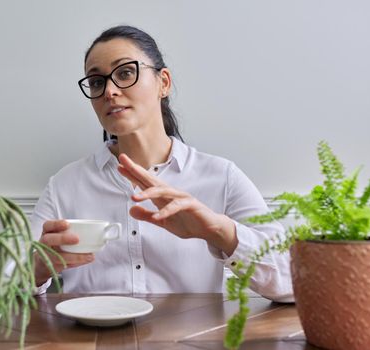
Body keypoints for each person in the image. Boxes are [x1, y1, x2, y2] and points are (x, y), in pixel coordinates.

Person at [31, 25, 293, 301]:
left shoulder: (221, 176)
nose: (109, 91)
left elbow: (290, 283)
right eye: (97, 82)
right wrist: (37, 270)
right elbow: (6, 289)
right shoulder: (65, 185)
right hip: (89, 341)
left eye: (125, 73)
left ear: (163, 82)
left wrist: (219, 231)